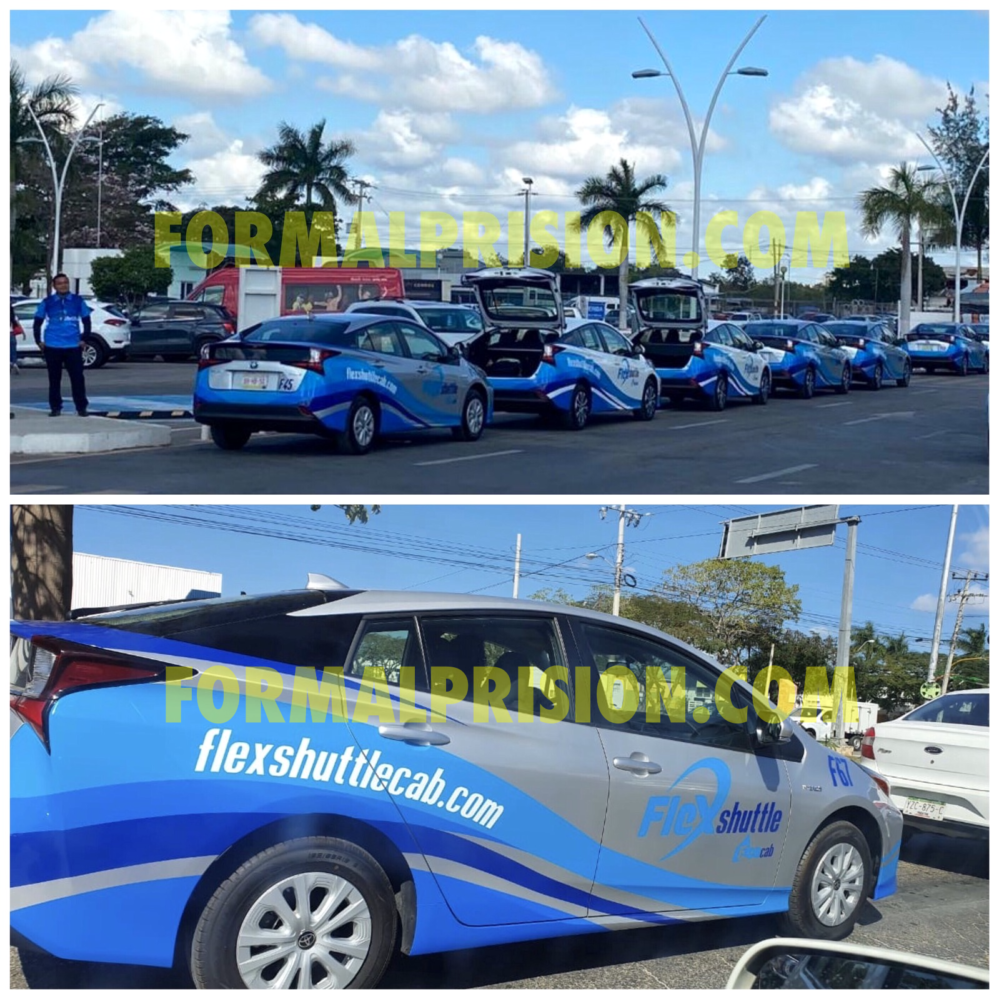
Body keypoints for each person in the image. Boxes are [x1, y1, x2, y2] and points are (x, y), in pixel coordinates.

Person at [33, 273, 91, 417]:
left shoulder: (77, 301)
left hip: (73, 346)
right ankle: (55, 407)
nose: (63, 285)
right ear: (54, 286)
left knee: (77, 377)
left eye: (65, 282)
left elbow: (87, 321)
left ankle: (81, 407)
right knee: (54, 378)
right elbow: (37, 322)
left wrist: (85, 339)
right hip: (53, 345)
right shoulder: (47, 302)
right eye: (59, 283)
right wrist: (38, 341)